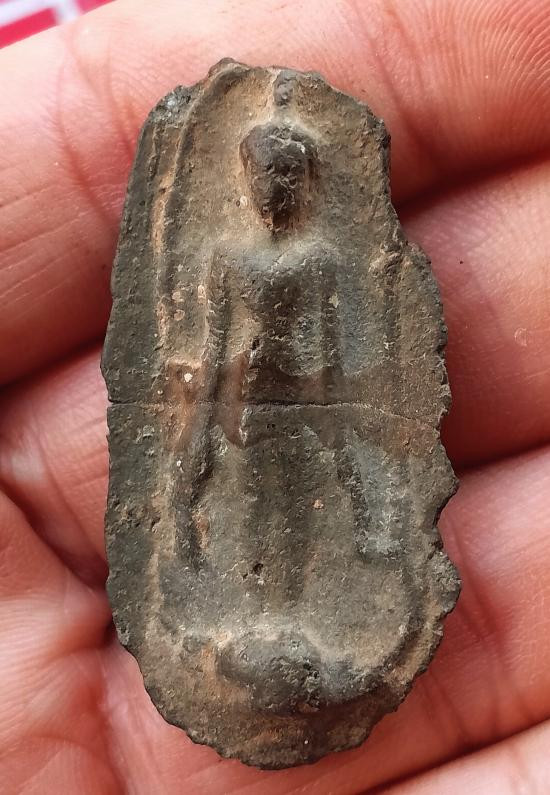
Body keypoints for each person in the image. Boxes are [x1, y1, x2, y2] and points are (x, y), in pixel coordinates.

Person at [0, 0, 549, 792]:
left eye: (291, 176)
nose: (278, 188)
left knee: (307, 514)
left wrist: (344, 422)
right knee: (248, 512)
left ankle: (304, 608)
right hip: (243, 411)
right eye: (269, 176)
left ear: (307, 182)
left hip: (314, 412)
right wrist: (203, 421)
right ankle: (240, 610)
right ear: (253, 181)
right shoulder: (226, 256)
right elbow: (214, 345)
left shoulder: (324, 256)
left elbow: (334, 347)